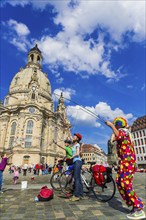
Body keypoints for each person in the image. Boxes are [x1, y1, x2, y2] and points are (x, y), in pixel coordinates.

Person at [105, 117, 145, 219]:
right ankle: (134, 205)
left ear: (119, 125)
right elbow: (114, 139)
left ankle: (139, 207)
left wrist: (111, 125)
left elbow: (118, 136)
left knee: (125, 183)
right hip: (124, 162)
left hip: (128, 162)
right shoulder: (121, 132)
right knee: (119, 181)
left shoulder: (124, 132)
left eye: (116, 124)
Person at [69, 133, 83, 202]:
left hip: (77, 161)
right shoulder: (74, 144)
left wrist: (71, 157)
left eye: (75, 136)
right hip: (76, 162)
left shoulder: (77, 145)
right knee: (78, 178)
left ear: (77, 138)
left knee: (76, 178)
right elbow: (70, 136)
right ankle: (81, 193)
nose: (73, 137)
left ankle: (77, 195)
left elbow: (77, 153)